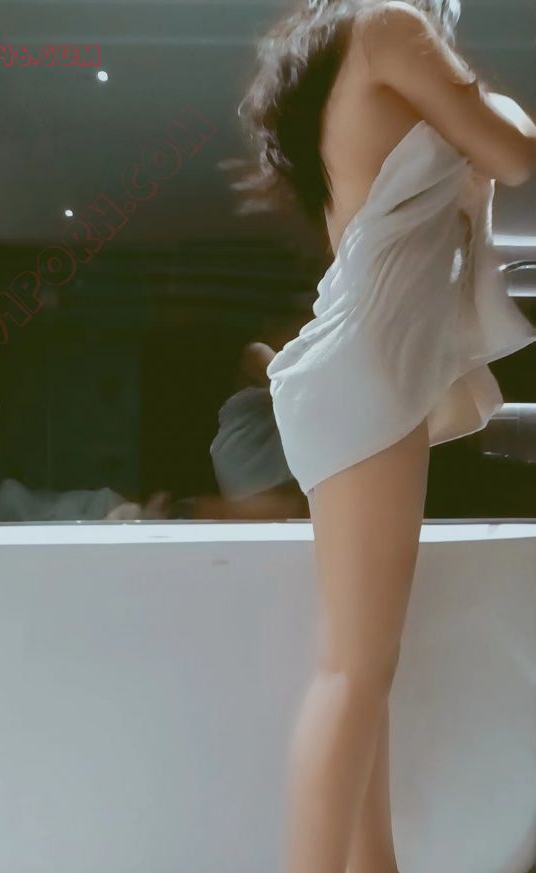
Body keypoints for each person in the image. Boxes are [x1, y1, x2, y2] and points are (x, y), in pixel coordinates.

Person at [235, 2, 536, 872]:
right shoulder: (389, 27)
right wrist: (491, 101)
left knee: (361, 670)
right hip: (365, 374)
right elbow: (515, 151)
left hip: (357, 373)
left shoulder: (353, 46)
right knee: (353, 672)